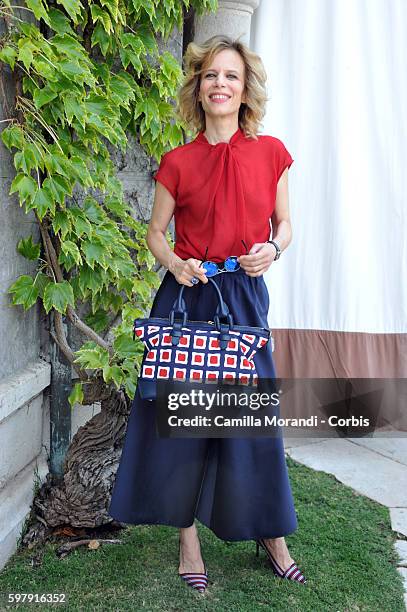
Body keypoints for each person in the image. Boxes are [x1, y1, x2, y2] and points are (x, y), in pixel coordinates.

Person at [108, 34, 306, 592]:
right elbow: (154, 233)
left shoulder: (272, 154)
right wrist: (173, 263)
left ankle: (273, 535)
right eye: (211, 75)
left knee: (251, 421)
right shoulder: (177, 161)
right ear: (199, 87)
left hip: (244, 297)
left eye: (231, 76)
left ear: (245, 91)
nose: (221, 84)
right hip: (186, 301)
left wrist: (274, 248)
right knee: (185, 426)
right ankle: (188, 542)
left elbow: (285, 225)